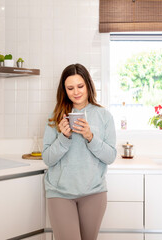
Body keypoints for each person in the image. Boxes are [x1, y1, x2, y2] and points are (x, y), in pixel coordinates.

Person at [42, 63, 117, 240]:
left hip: (94, 193)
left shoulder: (104, 116)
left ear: (88, 86)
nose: (76, 92)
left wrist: (90, 137)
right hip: (60, 194)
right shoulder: (55, 116)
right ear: (64, 90)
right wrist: (64, 137)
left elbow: (110, 156)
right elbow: (47, 158)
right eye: (70, 88)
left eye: (80, 86)